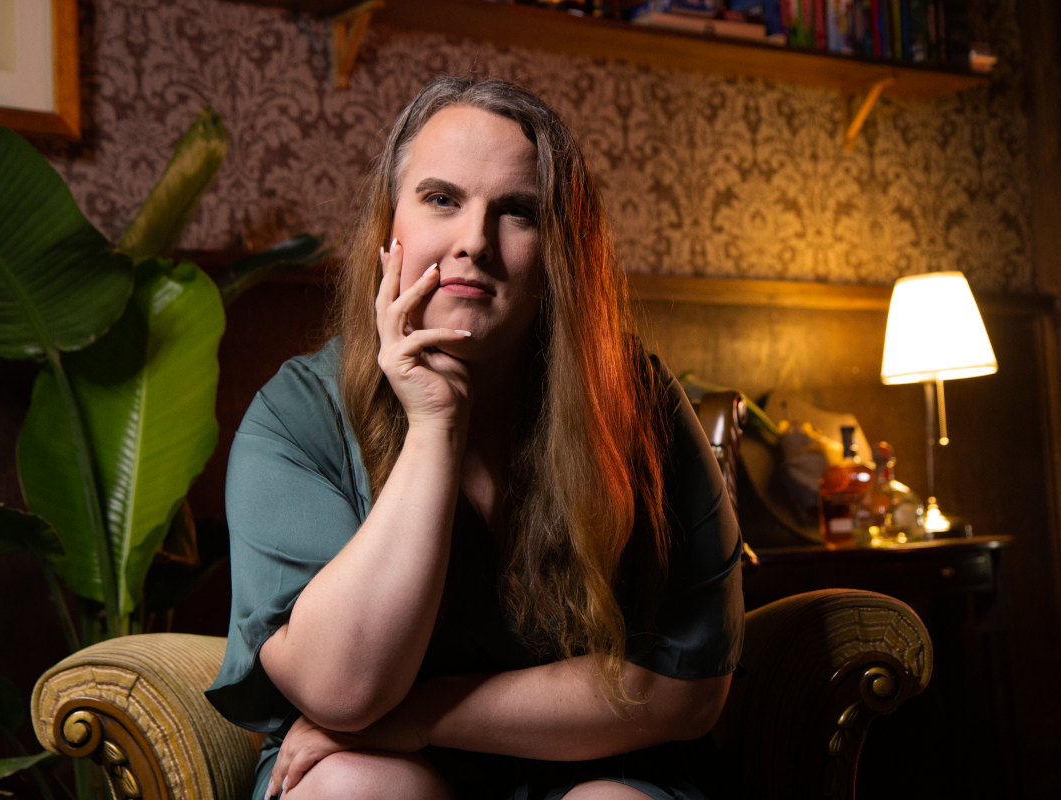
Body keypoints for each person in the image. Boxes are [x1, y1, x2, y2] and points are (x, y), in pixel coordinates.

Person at [205, 76, 744, 800]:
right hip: (376, 764)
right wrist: (434, 426)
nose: (474, 243)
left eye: (518, 212)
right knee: (356, 787)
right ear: (387, 229)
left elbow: (686, 691)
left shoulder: (639, 405)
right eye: (441, 199)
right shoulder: (297, 416)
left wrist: (428, 714)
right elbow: (342, 694)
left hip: (594, 764)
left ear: (561, 254)